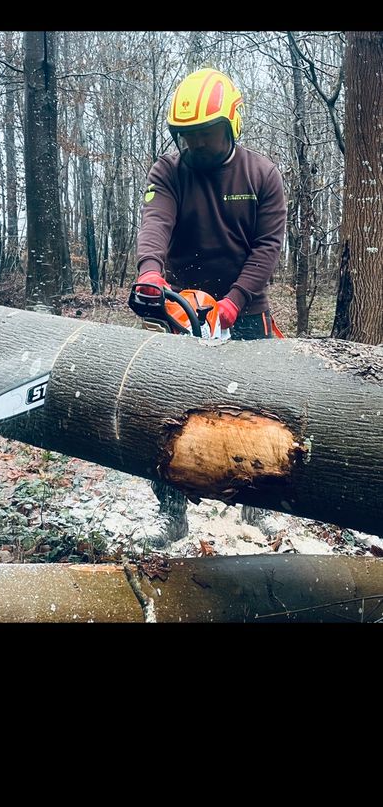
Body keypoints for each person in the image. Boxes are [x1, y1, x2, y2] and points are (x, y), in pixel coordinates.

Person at [132, 68, 287, 546]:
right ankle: (171, 511)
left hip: (246, 307)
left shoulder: (261, 174)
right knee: (167, 410)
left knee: (257, 412)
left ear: (230, 126)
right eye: (188, 137)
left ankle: (258, 505)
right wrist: (151, 271)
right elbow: (156, 219)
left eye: (206, 135)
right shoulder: (169, 171)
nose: (196, 146)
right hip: (185, 307)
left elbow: (267, 246)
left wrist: (236, 300)